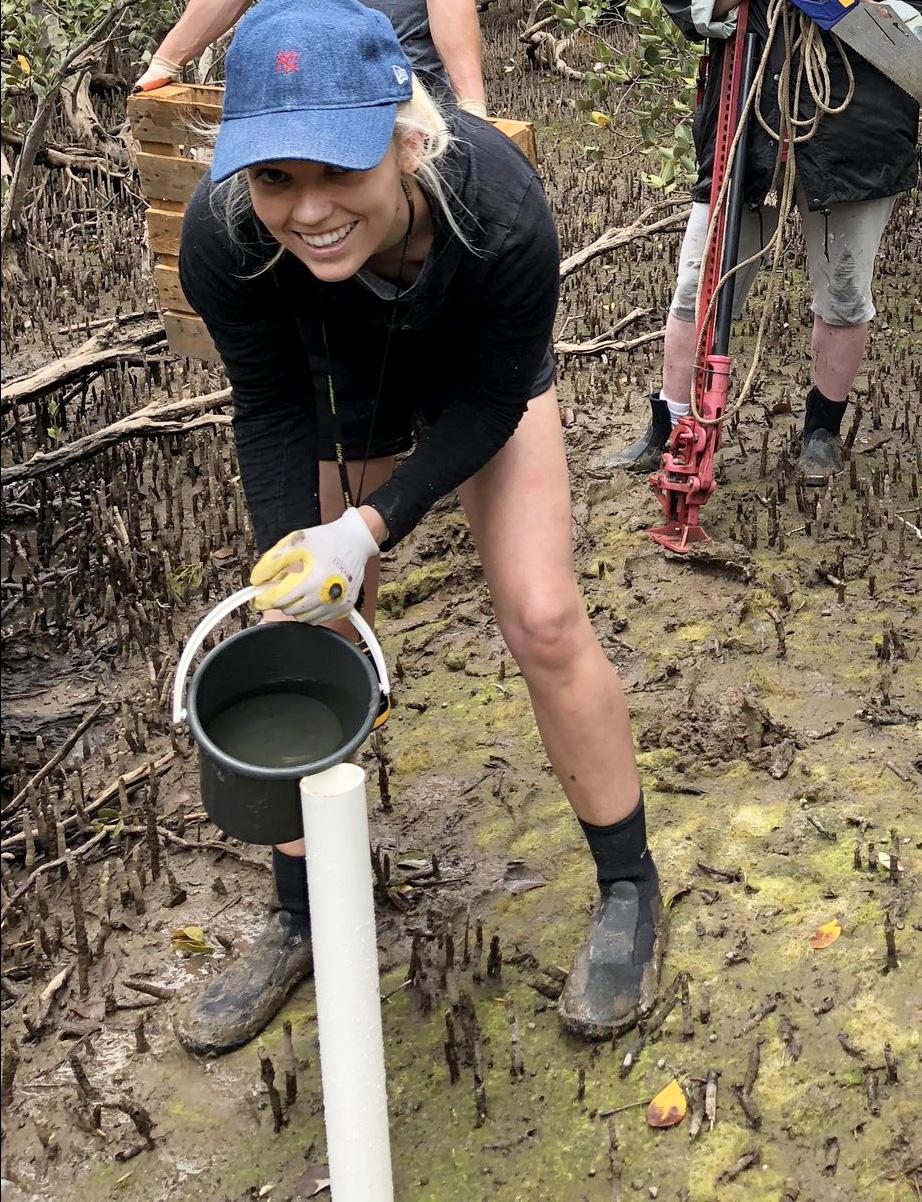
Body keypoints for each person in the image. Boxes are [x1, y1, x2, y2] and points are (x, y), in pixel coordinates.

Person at [173, 0, 658, 1054]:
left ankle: (627, 886)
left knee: (539, 615)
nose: (305, 211)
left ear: (402, 133)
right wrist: (299, 558)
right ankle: (299, 910)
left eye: (336, 170)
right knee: (307, 637)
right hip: (337, 377)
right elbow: (266, 403)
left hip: (476, 369)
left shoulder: (501, 208)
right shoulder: (222, 235)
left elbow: (488, 406)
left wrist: (374, 523)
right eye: (275, 178)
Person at [601, 0, 920, 485]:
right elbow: (688, 8)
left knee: (844, 293)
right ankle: (670, 425)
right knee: (698, 285)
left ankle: (822, 432)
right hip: (743, 117)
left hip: (861, 128)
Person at [134, 0, 487, 115]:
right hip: (296, 100)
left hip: (398, 100)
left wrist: (471, 104)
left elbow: (450, 7)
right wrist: (166, 61)